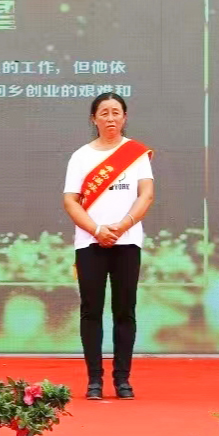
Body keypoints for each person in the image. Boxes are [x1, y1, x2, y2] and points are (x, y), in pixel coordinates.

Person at [62, 93, 154, 400]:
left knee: (124, 310)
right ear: (94, 119)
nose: (110, 118)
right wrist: (97, 230)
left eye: (116, 112)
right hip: (90, 243)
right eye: (104, 113)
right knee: (91, 311)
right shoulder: (81, 156)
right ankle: (94, 380)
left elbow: (146, 195)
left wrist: (123, 225)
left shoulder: (136, 154)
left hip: (127, 242)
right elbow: (70, 201)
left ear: (124, 117)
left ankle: (122, 379)